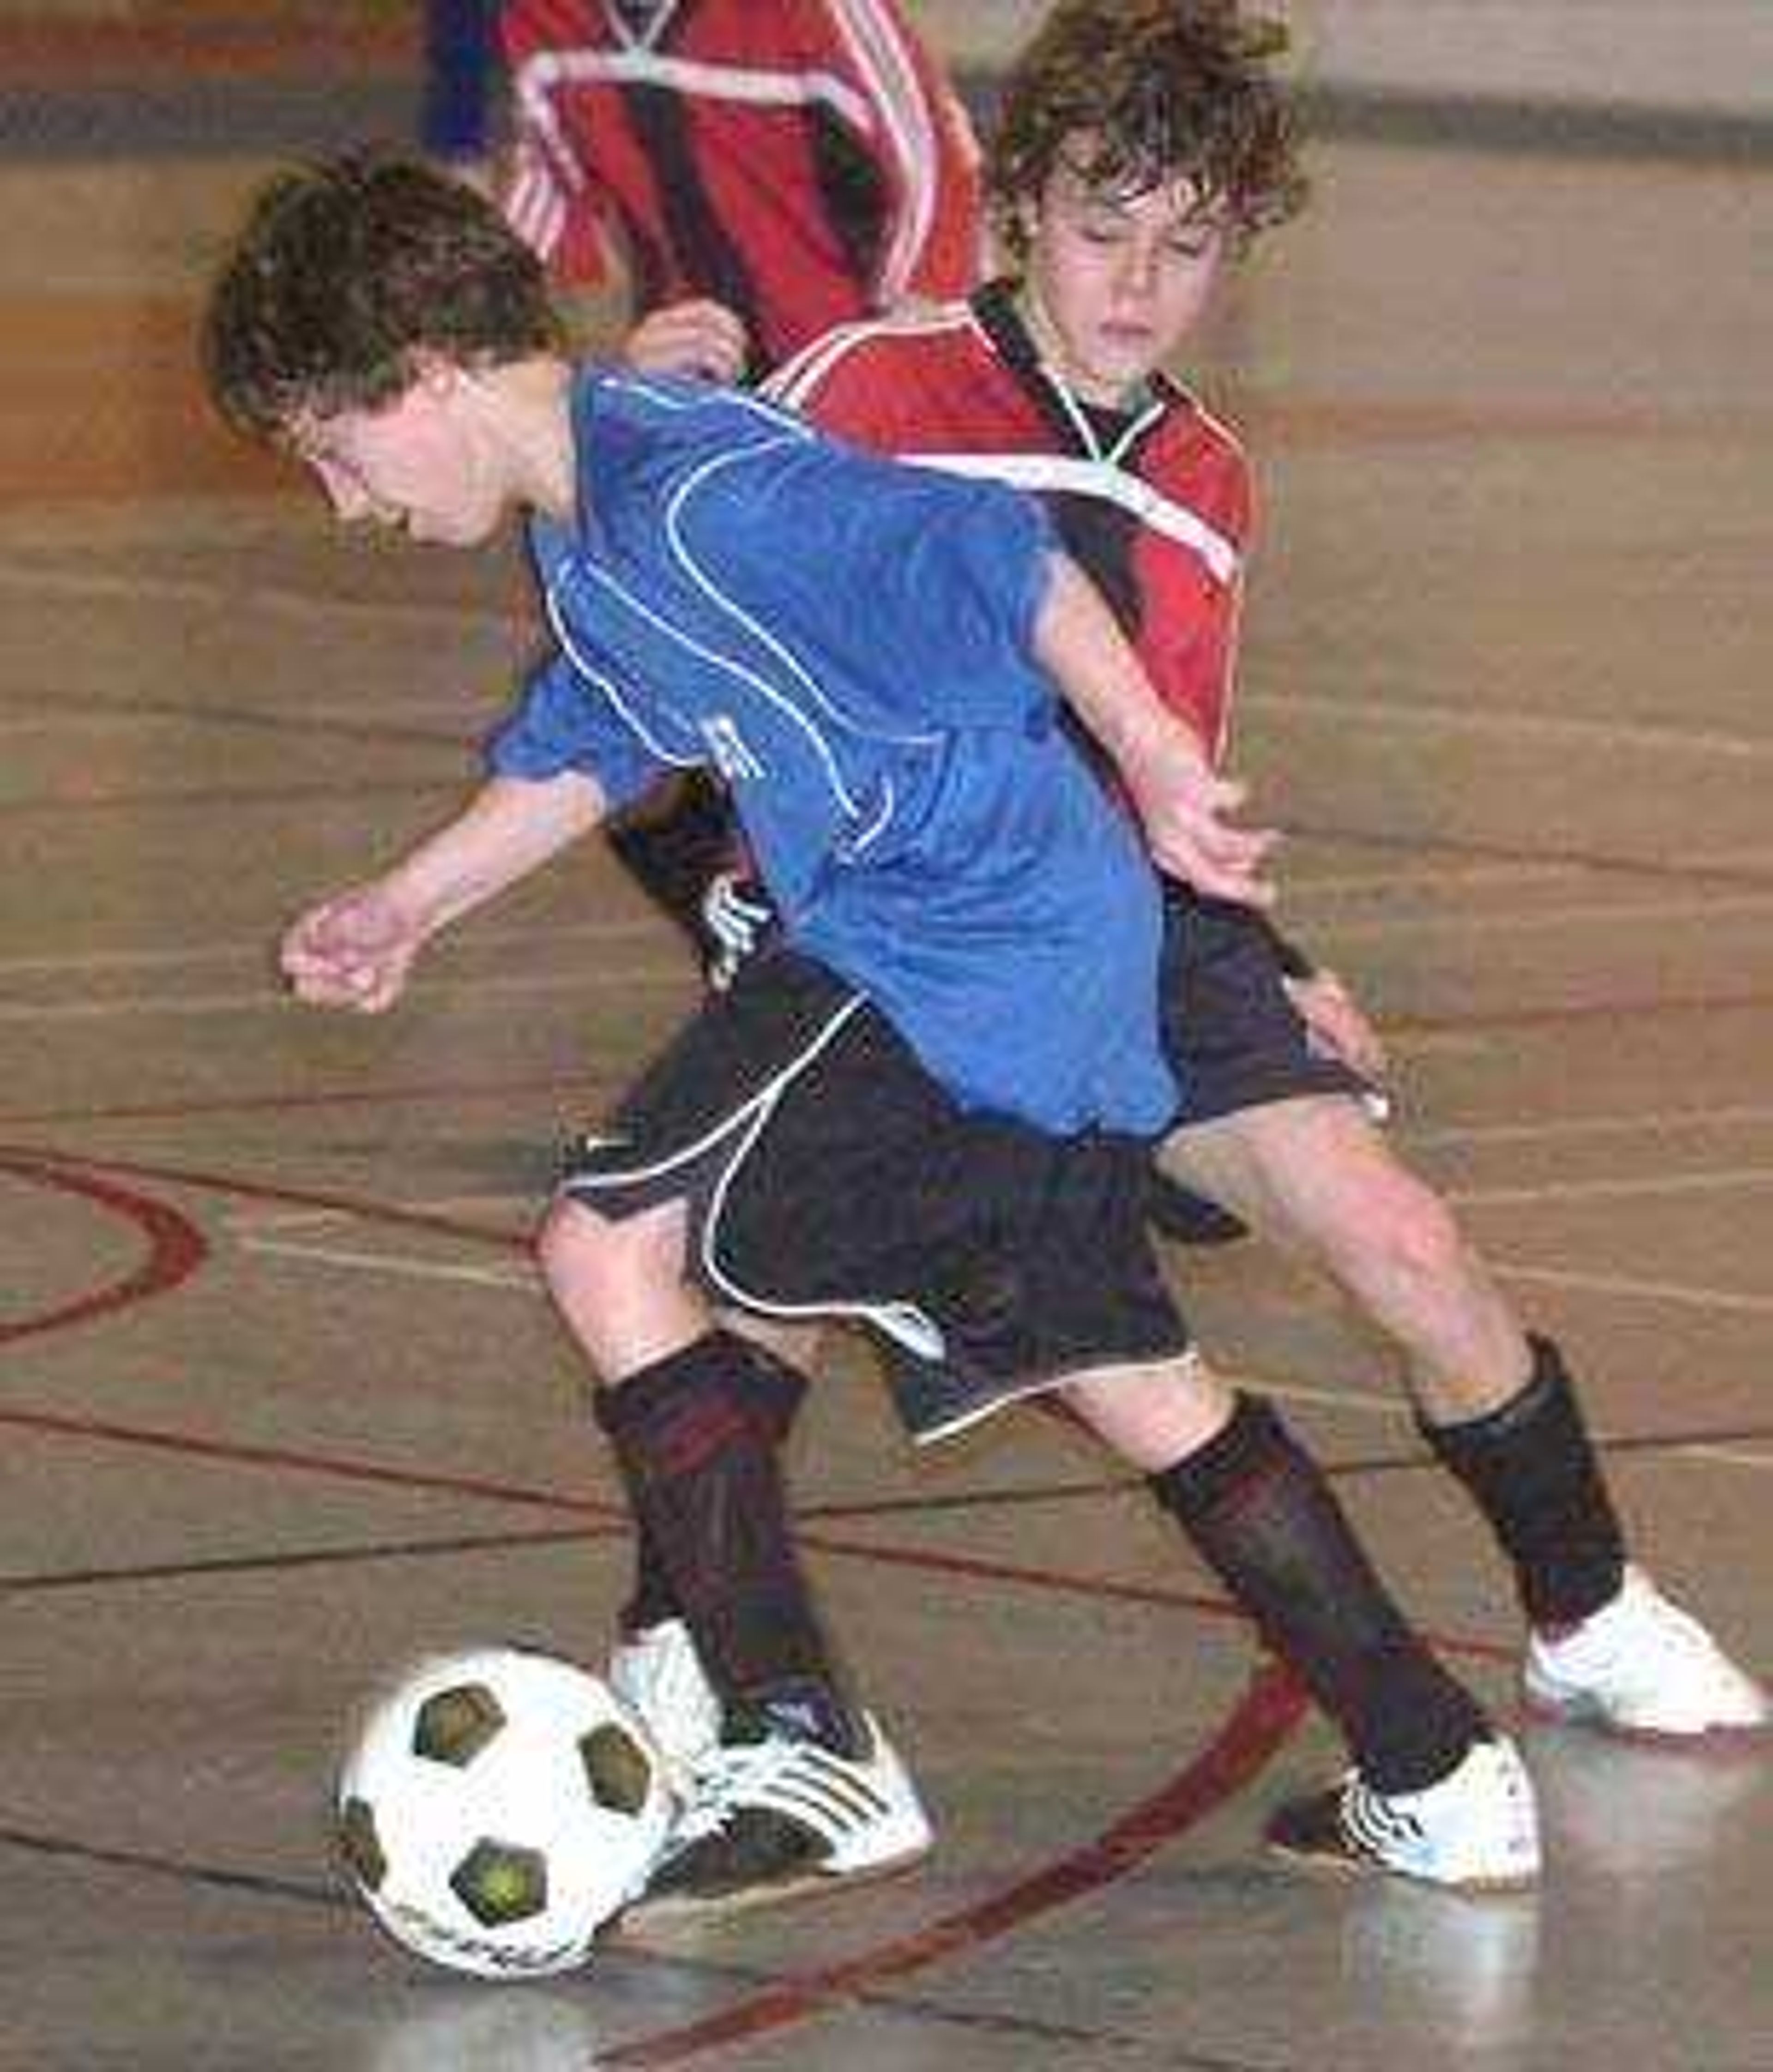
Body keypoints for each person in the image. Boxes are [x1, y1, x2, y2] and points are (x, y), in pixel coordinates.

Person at [203, 148, 1543, 1920]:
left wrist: (1155, 763)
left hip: (953, 938)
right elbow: (602, 730)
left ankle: (797, 1737)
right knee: (1121, 1369)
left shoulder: (693, 501)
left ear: (429, 377)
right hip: (1011, 943)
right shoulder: (598, 515)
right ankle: (1436, 1765)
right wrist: (408, 903)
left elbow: (1006, 558)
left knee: (613, 1240)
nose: (340, 499)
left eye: (335, 448)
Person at [749, 0, 1766, 1777]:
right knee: (743, 1291)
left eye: (1188, 243)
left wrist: (1268, 952)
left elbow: (1165, 777)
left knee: (1408, 1243)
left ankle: (1587, 1611)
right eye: (1099, 224)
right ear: (1018, 212)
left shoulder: (1210, 480)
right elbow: (698, 625)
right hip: (905, 962)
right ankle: (709, 1659)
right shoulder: (860, 397)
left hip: (1136, 950)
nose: (1137, 281)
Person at [498, 0, 989, 970]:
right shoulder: (544, 23)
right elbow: (522, 276)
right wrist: (613, 370)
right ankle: (764, 948)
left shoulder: (821, 15)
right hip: (700, 442)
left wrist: (881, 411)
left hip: (865, 436)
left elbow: (941, 199)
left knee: (920, 748)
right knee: (610, 717)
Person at [499, 0, 983, 381]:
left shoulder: (821, 11)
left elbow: (944, 179)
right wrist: (611, 380)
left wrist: (890, 371)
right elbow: (538, 238)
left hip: (860, 367)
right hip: (692, 372)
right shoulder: (543, 18)